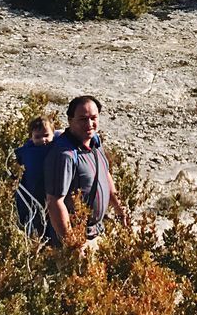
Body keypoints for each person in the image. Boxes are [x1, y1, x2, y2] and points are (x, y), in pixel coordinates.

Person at [44, 96, 127, 250]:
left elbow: (105, 173)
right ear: (70, 120)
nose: (89, 124)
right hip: (77, 239)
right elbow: (55, 202)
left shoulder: (95, 142)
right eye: (82, 119)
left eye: (93, 118)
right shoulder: (64, 155)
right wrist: (72, 245)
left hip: (96, 232)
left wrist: (119, 208)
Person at [15, 117, 58, 236]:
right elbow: (16, 157)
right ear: (31, 137)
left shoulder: (56, 146)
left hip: (50, 190)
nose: (43, 140)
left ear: (53, 134)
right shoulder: (28, 151)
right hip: (32, 192)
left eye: (46, 135)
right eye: (37, 137)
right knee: (34, 219)